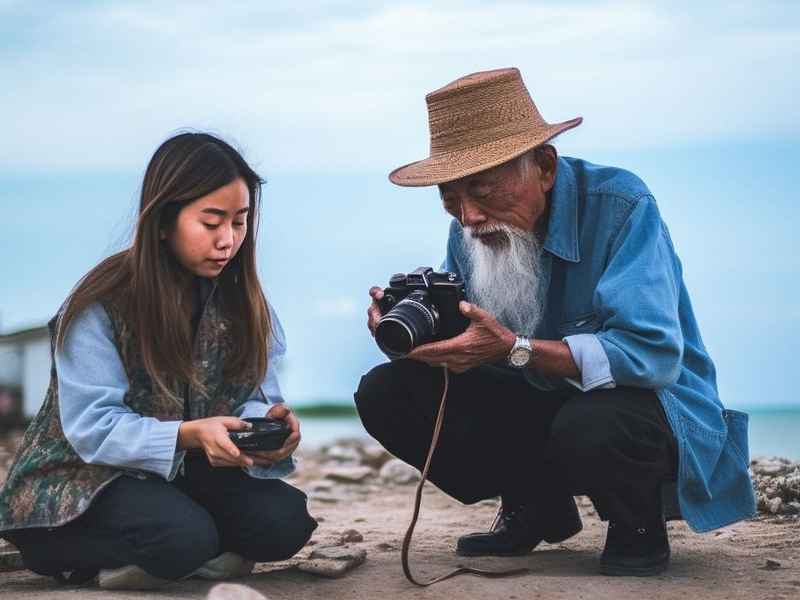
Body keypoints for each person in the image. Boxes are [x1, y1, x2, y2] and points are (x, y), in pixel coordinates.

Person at [355, 68, 755, 577]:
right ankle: (535, 505)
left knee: (593, 422)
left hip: (650, 407)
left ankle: (636, 521)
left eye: (482, 191)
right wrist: (412, 332)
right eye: (451, 199)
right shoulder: (469, 231)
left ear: (544, 167)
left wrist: (514, 349)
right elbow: (469, 342)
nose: (470, 218)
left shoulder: (622, 206)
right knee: (388, 390)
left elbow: (649, 355)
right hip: (544, 402)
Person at [0, 132, 317, 589]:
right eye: (211, 223)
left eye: (240, 222)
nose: (228, 240)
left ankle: (176, 550)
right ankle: (87, 553)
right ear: (165, 220)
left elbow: (253, 397)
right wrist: (190, 434)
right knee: (181, 538)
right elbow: (93, 426)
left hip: (178, 473)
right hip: (82, 480)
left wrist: (266, 428)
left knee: (284, 522)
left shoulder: (246, 303)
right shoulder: (101, 303)